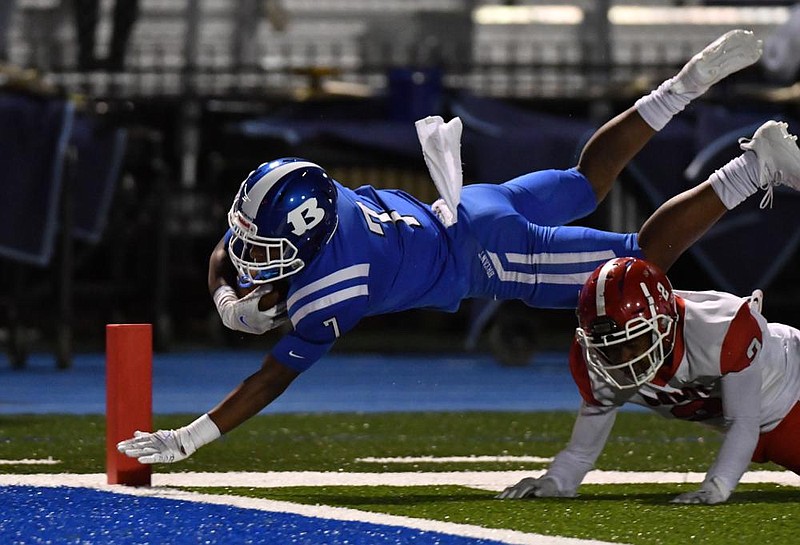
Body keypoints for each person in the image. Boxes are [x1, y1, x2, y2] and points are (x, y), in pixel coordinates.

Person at [117, 30, 796, 465]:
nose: (250, 256)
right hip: (468, 203)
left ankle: (752, 169)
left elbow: (270, 376)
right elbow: (230, 246)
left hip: (482, 249)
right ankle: (677, 88)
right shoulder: (320, 204)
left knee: (640, 260)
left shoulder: (335, 290)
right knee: (586, 182)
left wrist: (190, 437)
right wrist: (229, 294)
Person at [496, 256, 800, 505]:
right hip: (763, 428)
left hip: (791, 388)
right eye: (610, 347)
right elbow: (581, 450)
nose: (623, 358)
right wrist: (555, 481)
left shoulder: (718, 329)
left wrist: (715, 488)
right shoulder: (596, 360)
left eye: (634, 342)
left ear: (664, 324)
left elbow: (743, 422)